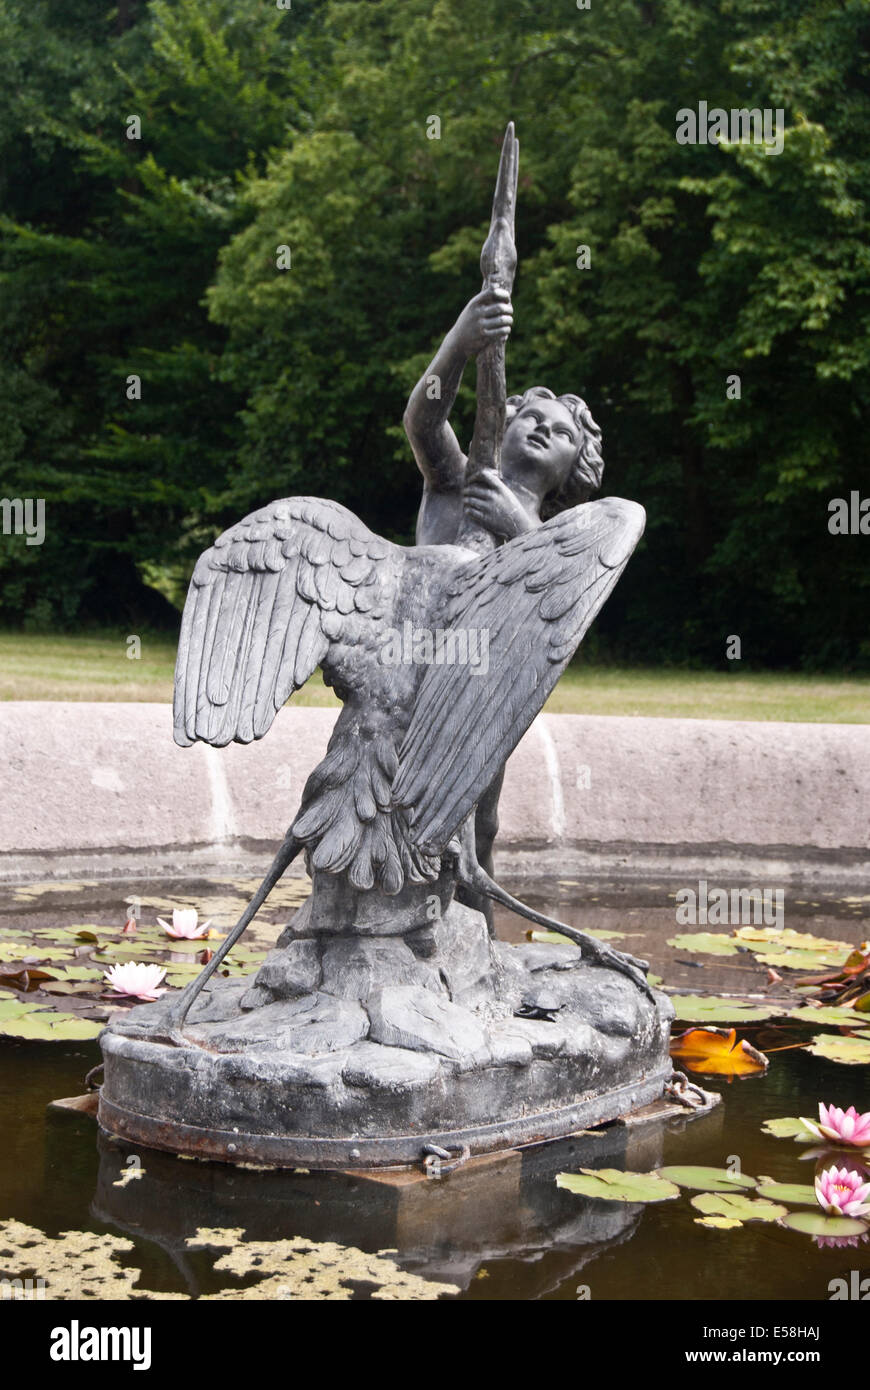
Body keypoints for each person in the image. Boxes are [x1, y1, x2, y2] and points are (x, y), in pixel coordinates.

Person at [403, 285, 605, 926]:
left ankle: (477, 940)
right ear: (507, 421)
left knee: (479, 820)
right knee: (405, 809)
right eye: (531, 417)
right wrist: (461, 341)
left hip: (489, 692)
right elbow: (423, 422)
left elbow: (565, 600)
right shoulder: (456, 481)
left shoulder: (558, 541)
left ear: (577, 464)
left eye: (565, 432)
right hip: (419, 672)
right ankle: (399, 928)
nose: (545, 427)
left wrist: (517, 526)